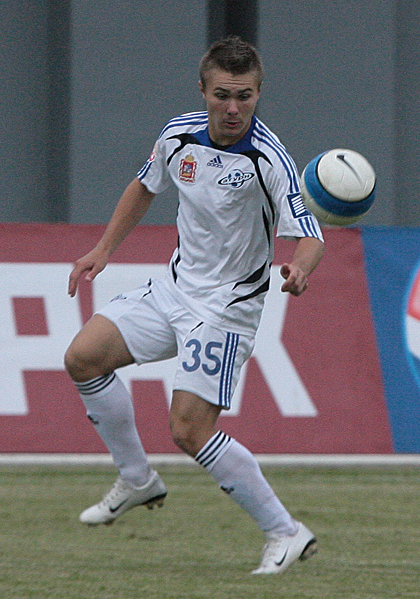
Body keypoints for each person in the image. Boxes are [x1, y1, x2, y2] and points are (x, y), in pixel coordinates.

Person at [65, 36, 324, 575]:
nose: (233, 108)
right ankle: (137, 479)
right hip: (175, 289)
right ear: (202, 90)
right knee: (83, 357)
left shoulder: (268, 158)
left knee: (188, 430)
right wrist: (104, 249)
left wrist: (300, 268)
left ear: (259, 94)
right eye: (223, 95)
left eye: (245, 96)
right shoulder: (178, 135)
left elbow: (310, 234)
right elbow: (144, 186)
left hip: (227, 309)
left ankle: (285, 531)